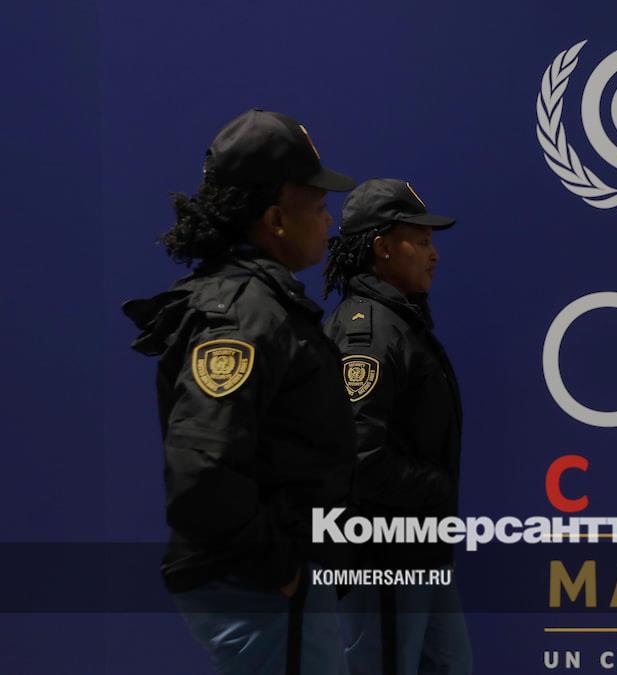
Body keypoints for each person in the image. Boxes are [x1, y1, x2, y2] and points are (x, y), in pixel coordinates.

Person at [123, 108, 358, 675]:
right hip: (263, 591)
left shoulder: (259, 303)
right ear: (276, 218)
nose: (328, 221)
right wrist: (282, 567)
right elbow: (201, 472)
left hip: (269, 586)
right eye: (317, 206)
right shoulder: (243, 316)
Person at [323, 178, 470, 675]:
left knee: (450, 666)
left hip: (420, 548)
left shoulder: (399, 322)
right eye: (422, 241)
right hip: (383, 554)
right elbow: (359, 457)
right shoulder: (367, 333)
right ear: (383, 248)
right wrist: (435, 487)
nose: (434, 255)